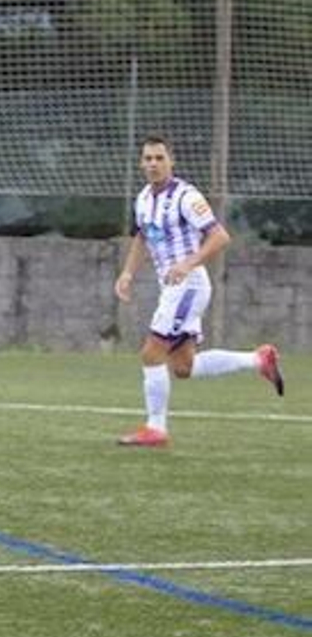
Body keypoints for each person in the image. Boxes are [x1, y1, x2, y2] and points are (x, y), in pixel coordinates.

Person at [113, 134, 284, 447]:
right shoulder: (143, 199)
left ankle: (156, 429)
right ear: (141, 162)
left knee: (152, 352)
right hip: (173, 288)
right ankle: (259, 360)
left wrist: (188, 263)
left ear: (171, 161)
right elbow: (141, 238)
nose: (153, 164)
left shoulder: (186, 197)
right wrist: (127, 273)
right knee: (182, 367)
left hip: (188, 285)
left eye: (159, 158)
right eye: (148, 158)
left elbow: (220, 236)